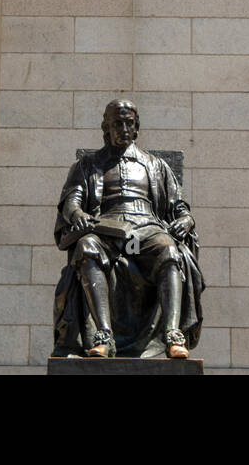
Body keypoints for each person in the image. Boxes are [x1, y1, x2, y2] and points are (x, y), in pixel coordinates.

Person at [52, 99, 205, 359]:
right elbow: (72, 202)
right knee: (85, 246)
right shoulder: (87, 165)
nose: (124, 129)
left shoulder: (155, 166)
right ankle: (103, 336)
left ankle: (172, 335)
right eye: (117, 124)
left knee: (169, 250)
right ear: (107, 128)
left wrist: (187, 220)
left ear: (136, 129)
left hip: (147, 228)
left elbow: (179, 206)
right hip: (106, 230)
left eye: (129, 124)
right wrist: (77, 214)